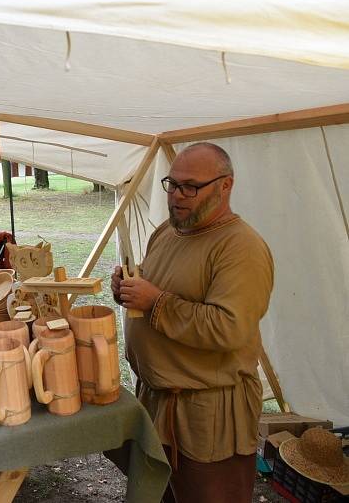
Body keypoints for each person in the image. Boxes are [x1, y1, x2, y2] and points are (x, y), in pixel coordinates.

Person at [111, 142, 274, 503]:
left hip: (206, 416)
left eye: (191, 187)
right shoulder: (167, 232)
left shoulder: (240, 247)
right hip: (158, 402)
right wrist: (127, 290)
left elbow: (228, 327)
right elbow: (156, 291)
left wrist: (155, 302)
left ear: (225, 185)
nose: (176, 197)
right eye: (172, 184)